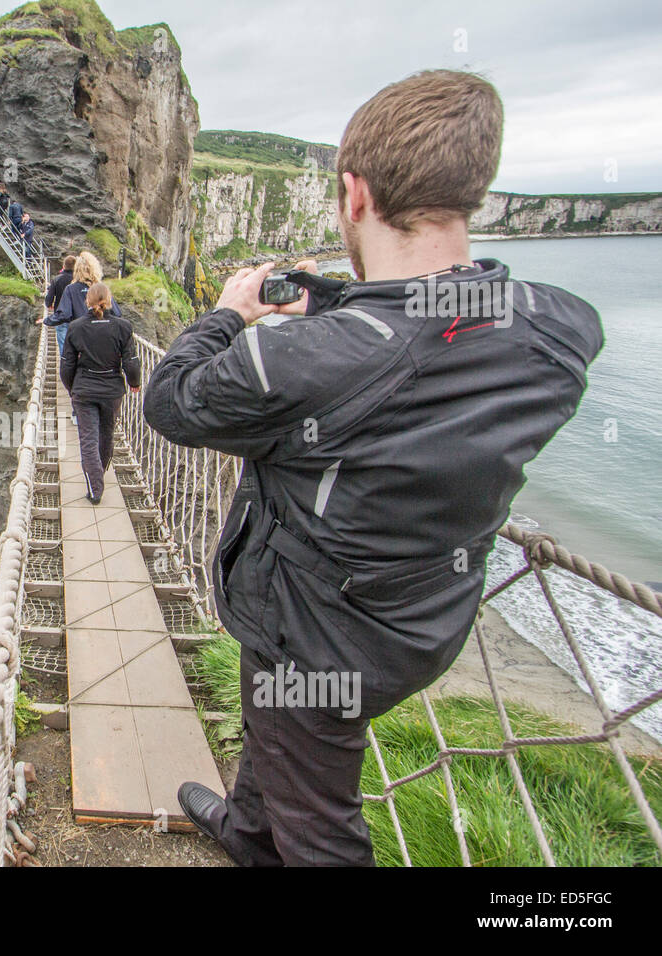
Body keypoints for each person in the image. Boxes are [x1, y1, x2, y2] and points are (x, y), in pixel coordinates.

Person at [142, 70, 603, 867]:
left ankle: (273, 836)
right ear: (477, 196)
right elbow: (421, 333)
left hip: (315, 637)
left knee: (320, 823)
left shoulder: (307, 361)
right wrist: (332, 314)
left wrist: (230, 314)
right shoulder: (556, 331)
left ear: (354, 195)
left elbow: (171, 401)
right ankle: (249, 833)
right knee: (276, 732)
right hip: (425, 620)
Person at [61, 282, 141, 504]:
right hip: (112, 390)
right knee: (106, 435)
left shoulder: (75, 327)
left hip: (84, 390)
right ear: (109, 300)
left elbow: (66, 365)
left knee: (88, 439)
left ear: (88, 301)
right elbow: (131, 361)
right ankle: (99, 475)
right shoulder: (123, 327)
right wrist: (135, 381)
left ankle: (95, 488)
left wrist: (72, 388)